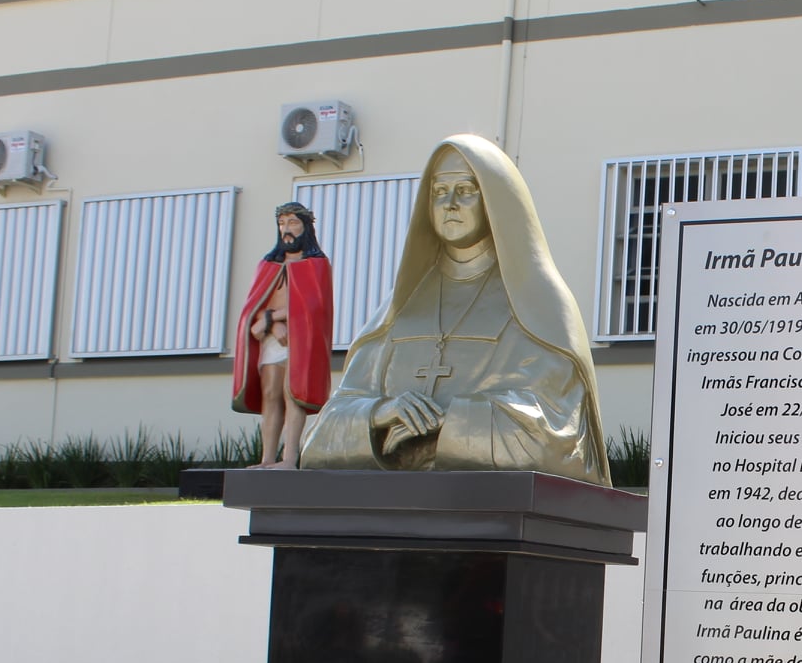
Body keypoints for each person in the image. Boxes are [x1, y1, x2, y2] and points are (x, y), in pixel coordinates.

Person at [299, 134, 610, 483]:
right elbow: (319, 438)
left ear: (494, 200)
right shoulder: (402, 306)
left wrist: (444, 421)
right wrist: (381, 414)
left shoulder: (536, 304)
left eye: (465, 190)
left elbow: (557, 436)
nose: (449, 204)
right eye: (439, 192)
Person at [232, 202, 334, 467]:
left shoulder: (316, 264)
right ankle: (267, 458)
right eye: (282, 223)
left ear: (305, 227)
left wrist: (271, 318)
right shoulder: (268, 265)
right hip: (271, 341)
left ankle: (289, 458)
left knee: (293, 394)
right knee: (270, 395)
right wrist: (269, 323)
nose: (286, 229)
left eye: (293, 223)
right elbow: (253, 304)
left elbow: (314, 306)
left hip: (300, 340)